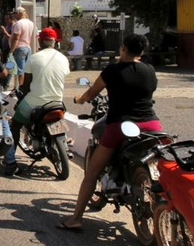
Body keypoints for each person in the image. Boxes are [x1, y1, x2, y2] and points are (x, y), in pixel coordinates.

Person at [60, 33, 162, 232]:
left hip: (120, 126)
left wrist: (79, 99)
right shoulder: (150, 70)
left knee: (91, 173)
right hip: (152, 125)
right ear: (142, 52)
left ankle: (76, 219)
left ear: (123, 48)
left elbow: (91, 94)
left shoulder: (112, 71)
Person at [9, 28, 71, 175]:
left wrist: (21, 96)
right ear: (55, 41)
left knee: (15, 125)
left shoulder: (34, 58)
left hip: (34, 102)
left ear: (40, 40)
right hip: (57, 102)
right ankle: (65, 146)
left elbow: (26, 85)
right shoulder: (64, 59)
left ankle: (10, 160)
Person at [10, 8, 35, 88]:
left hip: (20, 48)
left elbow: (16, 38)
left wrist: (11, 50)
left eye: (15, 14)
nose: (14, 16)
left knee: (20, 70)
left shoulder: (19, 24)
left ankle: (20, 87)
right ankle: (27, 86)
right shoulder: (31, 23)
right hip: (28, 47)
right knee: (27, 70)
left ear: (18, 13)